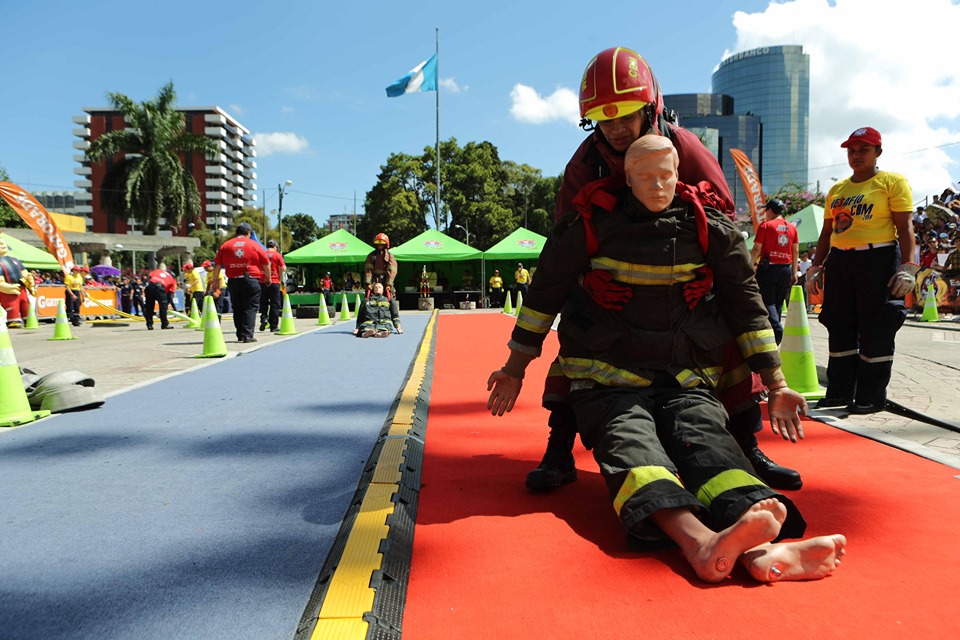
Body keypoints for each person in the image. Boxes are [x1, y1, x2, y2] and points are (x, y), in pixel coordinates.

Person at [487, 136, 845, 584]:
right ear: (627, 179)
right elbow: (543, 297)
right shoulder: (587, 227)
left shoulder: (708, 228)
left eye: (666, 175)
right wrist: (514, 369)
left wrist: (776, 384)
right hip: (610, 379)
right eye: (645, 176)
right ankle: (699, 542)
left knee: (709, 444)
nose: (657, 185)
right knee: (633, 447)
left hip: (684, 377)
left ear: (680, 175)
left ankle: (759, 550)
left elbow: (746, 303)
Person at [527, 46, 801, 493]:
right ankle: (559, 449)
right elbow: (564, 241)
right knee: (578, 333)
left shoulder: (686, 147)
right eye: (604, 119)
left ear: (650, 109)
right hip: (611, 288)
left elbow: (723, 220)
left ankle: (747, 446)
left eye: (625, 116)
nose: (615, 129)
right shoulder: (583, 163)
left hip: (685, 286)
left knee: (727, 331)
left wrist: (709, 275)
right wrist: (585, 280)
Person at [808, 127, 917, 414]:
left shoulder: (891, 182)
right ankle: (839, 392)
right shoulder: (838, 189)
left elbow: (905, 226)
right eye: (851, 150)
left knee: (877, 326)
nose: (856, 155)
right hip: (841, 261)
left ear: (878, 152)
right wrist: (816, 266)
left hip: (878, 258)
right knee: (838, 323)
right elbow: (827, 231)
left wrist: (908, 266)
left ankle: (870, 396)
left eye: (863, 150)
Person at [212, 222, 270, 343]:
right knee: (250, 306)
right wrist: (268, 278)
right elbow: (266, 263)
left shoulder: (226, 245)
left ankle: (240, 334)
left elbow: (217, 265)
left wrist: (215, 281)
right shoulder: (254, 244)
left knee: (237, 307)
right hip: (251, 279)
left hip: (233, 280)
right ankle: (248, 335)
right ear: (249, 233)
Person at [750, 198, 799, 344]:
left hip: (768, 268)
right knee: (778, 302)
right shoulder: (792, 228)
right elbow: (795, 251)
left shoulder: (766, 226)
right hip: (786, 268)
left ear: (770, 210)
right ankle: (774, 338)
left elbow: (757, 249)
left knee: (767, 301)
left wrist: (748, 266)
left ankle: (777, 330)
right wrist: (795, 272)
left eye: (766, 210)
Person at [0, 232, 35, 327]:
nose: (2, 245)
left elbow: (24, 272)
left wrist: (29, 278)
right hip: (9, 290)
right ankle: (13, 320)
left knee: (26, 305)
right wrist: (7, 287)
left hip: (22, 288)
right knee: (12, 305)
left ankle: (29, 318)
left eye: (2, 243)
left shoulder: (15, 260)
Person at [259, 239, 286, 332]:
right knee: (275, 304)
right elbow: (283, 269)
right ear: (275, 247)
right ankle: (273, 325)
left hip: (262, 281)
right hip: (274, 281)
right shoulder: (277, 255)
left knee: (263, 302)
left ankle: (264, 318)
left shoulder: (262, 254)